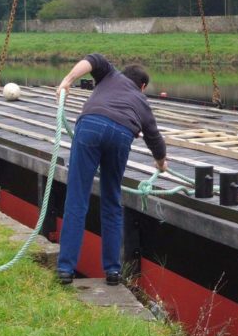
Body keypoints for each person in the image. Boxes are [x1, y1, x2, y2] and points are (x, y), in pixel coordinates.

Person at [56, 53, 167, 285]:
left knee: (77, 199)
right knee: (111, 201)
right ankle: (113, 271)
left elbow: (92, 59)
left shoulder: (109, 74)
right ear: (143, 86)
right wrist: (161, 164)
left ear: (123, 74)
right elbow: (154, 138)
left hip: (91, 126)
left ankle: (66, 269)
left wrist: (67, 80)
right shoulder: (143, 102)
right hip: (121, 135)